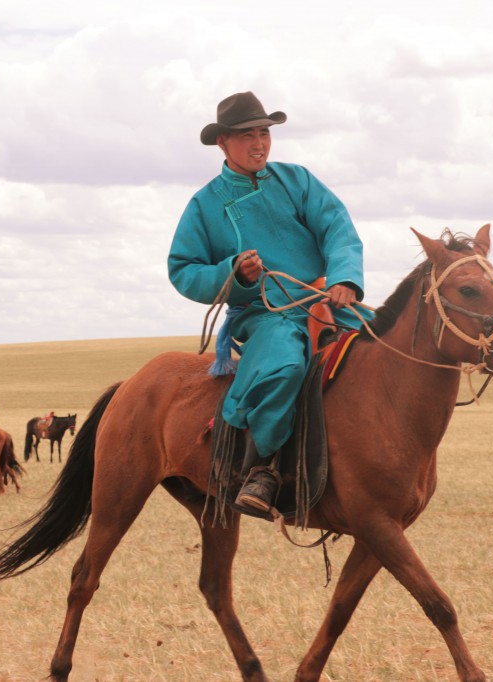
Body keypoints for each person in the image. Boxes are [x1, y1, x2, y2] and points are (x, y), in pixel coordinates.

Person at [167, 91, 371, 515]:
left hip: (322, 298)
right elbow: (182, 269)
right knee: (284, 366)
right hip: (264, 313)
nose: (259, 144)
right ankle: (261, 468)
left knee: (384, 341)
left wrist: (345, 278)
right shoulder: (205, 205)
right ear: (222, 143)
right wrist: (232, 274)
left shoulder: (297, 180)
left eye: (264, 133)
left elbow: (337, 226)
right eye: (246, 136)